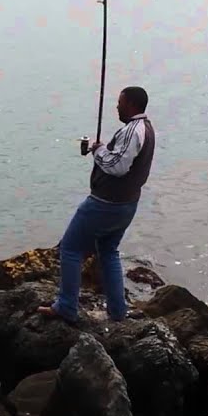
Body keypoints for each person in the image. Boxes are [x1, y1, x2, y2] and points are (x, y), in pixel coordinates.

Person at [40, 86, 156, 323]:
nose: (116, 107)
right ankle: (117, 311)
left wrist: (98, 150)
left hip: (105, 204)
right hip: (127, 204)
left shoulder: (133, 131)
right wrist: (101, 150)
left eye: (120, 103)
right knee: (108, 252)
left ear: (132, 105)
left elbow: (118, 167)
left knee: (70, 249)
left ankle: (66, 306)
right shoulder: (147, 128)